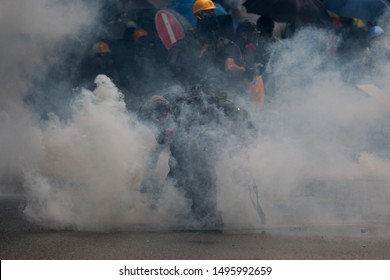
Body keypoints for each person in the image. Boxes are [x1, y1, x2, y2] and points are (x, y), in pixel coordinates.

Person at [235, 20, 265, 109]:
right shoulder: (236, 49)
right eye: (254, 35)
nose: (256, 37)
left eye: (257, 34)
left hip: (253, 87)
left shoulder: (251, 47)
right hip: (242, 89)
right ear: (244, 35)